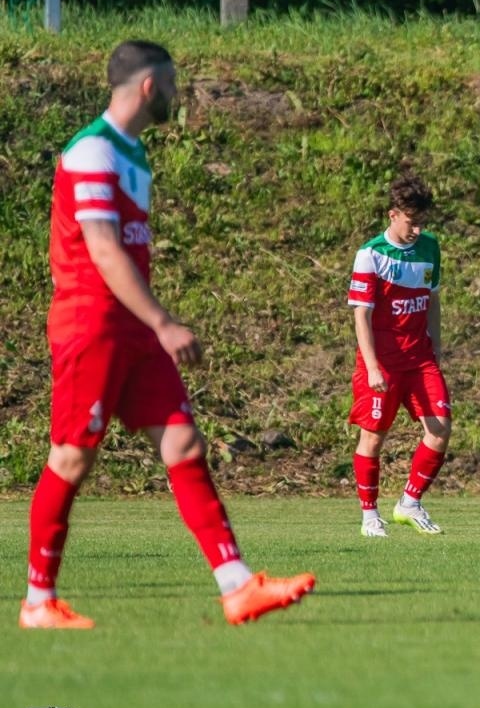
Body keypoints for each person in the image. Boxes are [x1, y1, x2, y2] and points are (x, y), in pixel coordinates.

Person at [20, 40, 315, 629]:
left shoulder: (133, 156)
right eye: (173, 85)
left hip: (131, 327)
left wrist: (150, 322)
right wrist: (163, 321)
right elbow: (101, 250)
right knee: (73, 457)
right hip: (93, 324)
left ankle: (237, 587)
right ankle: (38, 602)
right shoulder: (92, 152)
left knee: (183, 444)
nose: (179, 97)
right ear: (150, 87)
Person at [347, 174, 452, 537]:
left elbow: (433, 299)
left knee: (440, 429)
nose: (417, 230)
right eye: (411, 222)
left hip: (419, 359)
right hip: (383, 362)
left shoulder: (429, 247)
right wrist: (373, 366)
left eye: (422, 222)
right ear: (393, 215)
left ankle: (409, 503)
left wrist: (436, 345)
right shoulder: (371, 254)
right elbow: (361, 313)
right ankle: (369, 516)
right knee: (374, 437)